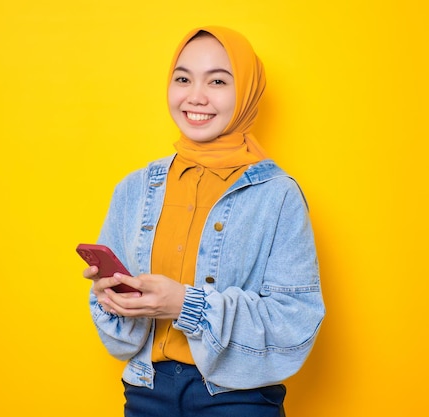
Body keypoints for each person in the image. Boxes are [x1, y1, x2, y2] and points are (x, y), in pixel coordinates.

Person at [83, 26, 325, 417]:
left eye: (217, 81)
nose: (195, 96)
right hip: (146, 392)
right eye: (183, 79)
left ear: (245, 91)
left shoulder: (277, 195)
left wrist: (185, 304)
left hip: (237, 399)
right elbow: (120, 335)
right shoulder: (134, 189)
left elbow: (295, 319)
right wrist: (111, 298)